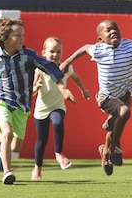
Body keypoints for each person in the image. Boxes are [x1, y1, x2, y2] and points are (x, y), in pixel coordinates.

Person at [0, 17, 75, 185]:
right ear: (5, 38)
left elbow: (50, 67)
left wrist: (62, 87)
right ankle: (7, 172)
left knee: (15, 147)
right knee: (7, 133)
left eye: (23, 35)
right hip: (3, 102)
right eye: (18, 35)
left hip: (23, 106)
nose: (22, 39)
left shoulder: (28, 56)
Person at [60, 19, 132, 175]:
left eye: (115, 28)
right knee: (124, 112)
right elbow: (84, 48)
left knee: (113, 128)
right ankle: (115, 147)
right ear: (101, 39)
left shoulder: (130, 46)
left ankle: (105, 152)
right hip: (106, 97)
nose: (113, 31)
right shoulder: (98, 49)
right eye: (108, 30)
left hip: (124, 96)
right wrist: (67, 61)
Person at [31, 37, 90, 180]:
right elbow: (32, 91)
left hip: (58, 106)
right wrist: (35, 88)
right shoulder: (40, 68)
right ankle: (37, 168)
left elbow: (75, 77)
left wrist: (83, 90)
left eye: (58, 52)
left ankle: (58, 154)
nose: (55, 55)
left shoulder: (66, 67)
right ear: (44, 53)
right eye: (52, 51)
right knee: (41, 142)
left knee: (57, 122)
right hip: (41, 109)